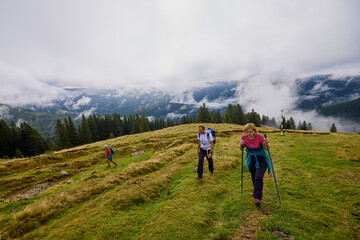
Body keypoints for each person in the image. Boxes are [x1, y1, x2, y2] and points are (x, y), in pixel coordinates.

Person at [239, 123, 272, 206]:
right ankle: (255, 189)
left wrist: (266, 142)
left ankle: (257, 198)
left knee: (258, 177)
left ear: (254, 131)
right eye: (246, 131)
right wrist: (241, 145)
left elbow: (266, 148)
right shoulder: (243, 137)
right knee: (253, 176)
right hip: (251, 159)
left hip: (261, 159)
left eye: (250, 131)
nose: (248, 133)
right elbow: (241, 149)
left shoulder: (260, 137)